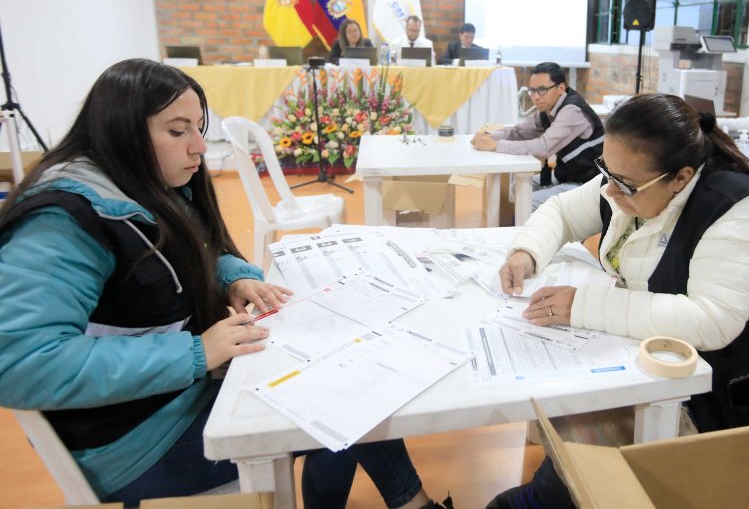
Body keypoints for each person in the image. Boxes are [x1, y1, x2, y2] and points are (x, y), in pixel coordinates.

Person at [0, 59, 450, 509]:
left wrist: (233, 277)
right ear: (121, 131)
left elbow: (195, 248)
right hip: (136, 442)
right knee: (349, 400)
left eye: (199, 127)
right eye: (178, 131)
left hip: (173, 398)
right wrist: (197, 352)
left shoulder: (141, 181)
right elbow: (19, 362)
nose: (199, 147)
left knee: (349, 381)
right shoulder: (63, 222)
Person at [487, 93, 749, 509]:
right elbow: (562, 212)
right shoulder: (633, 175)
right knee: (556, 398)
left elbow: (712, 320)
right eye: (606, 171)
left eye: (625, 184)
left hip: (714, 394)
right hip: (646, 354)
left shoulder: (733, 207)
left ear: (682, 177)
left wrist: (582, 305)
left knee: (568, 428)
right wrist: (526, 252)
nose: (611, 190)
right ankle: (553, 489)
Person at [471, 62, 604, 209]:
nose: (535, 97)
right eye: (532, 90)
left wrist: (496, 145)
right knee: (517, 187)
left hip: (587, 184)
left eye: (542, 90)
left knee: (527, 202)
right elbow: (518, 132)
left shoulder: (572, 111)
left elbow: (543, 147)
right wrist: (489, 136)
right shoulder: (548, 109)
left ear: (560, 88)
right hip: (565, 175)